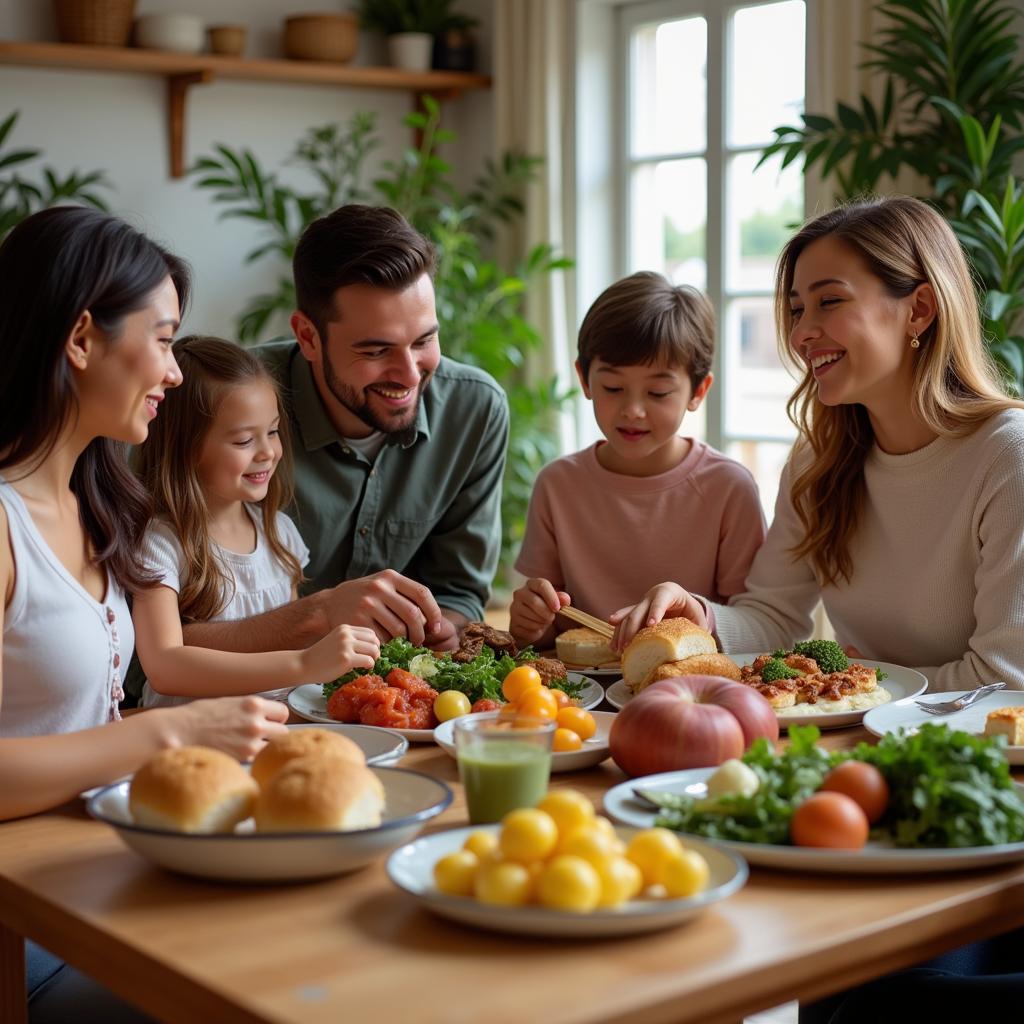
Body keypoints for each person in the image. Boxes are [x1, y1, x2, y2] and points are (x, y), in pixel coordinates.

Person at [0, 207, 288, 1019]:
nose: (172, 372)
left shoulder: (97, 505)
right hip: (26, 926)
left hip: (93, 870)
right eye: (162, 340)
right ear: (82, 339)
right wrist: (169, 733)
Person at [612, 195, 1024, 692]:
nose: (802, 332)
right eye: (796, 309)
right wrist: (699, 615)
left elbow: (1006, 679)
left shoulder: (1007, 457)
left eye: (829, 301)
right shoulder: (818, 459)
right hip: (855, 738)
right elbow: (774, 616)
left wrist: (858, 681)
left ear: (919, 310)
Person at [175, 205, 509, 663]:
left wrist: (439, 632)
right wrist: (318, 615)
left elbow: (458, 593)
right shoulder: (217, 406)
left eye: (424, 341)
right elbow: (143, 641)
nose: (410, 374)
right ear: (308, 337)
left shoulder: (475, 411)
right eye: (376, 350)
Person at [509, 271, 765, 647]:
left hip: (691, 685)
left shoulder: (728, 488)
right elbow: (549, 628)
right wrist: (532, 624)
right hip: (583, 691)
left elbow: (753, 626)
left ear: (698, 390)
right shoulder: (558, 485)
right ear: (584, 379)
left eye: (658, 393)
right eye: (613, 388)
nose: (633, 410)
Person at [132, 336, 381, 707]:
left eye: (273, 431)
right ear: (186, 450)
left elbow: (295, 639)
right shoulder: (160, 544)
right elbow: (165, 666)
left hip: (278, 729)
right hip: (195, 739)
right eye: (245, 440)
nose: (268, 452)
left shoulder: (279, 533)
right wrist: (305, 663)